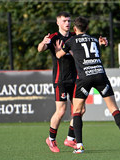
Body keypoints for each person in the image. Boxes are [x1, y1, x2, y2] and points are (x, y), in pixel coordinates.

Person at [54, 16, 120, 154]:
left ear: (75, 28)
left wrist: (59, 49)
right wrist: (105, 42)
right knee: (114, 108)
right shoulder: (93, 39)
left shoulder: (71, 41)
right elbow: (97, 46)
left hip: (84, 78)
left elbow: (59, 55)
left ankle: (79, 145)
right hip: (100, 75)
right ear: (87, 28)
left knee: (77, 111)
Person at [37, 11, 85, 153]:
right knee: (61, 111)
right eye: (64, 21)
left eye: (69, 21)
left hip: (75, 79)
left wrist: (66, 51)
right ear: (58, 22)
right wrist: (43, 43)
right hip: (61, 80)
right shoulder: (53, 37)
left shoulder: (74, 37)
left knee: (80, 110)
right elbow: (40, 49)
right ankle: (51, 139)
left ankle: (70, 139)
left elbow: (80, 54)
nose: (67, 23)